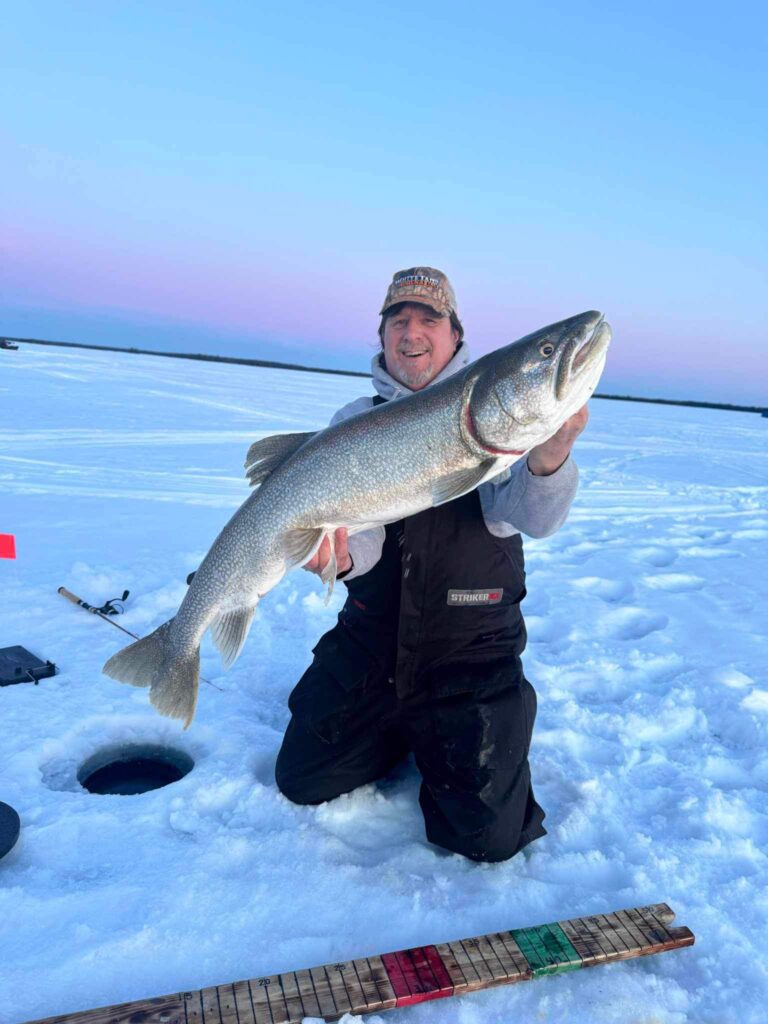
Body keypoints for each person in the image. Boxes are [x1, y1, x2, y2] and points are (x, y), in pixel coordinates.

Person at [275, 268, 588, 862]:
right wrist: (337, 558)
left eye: (428, 320)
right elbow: (359, 543)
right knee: (302, 779)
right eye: (398, 321)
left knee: (487, 840)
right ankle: (400, 730)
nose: (411, 333)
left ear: (454, 335)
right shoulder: (353, 422)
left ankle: (438, 734)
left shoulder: (496, 412)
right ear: (384, 336)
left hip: (469, 655)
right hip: (373, 644)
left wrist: (551, 453)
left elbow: (533, 517)